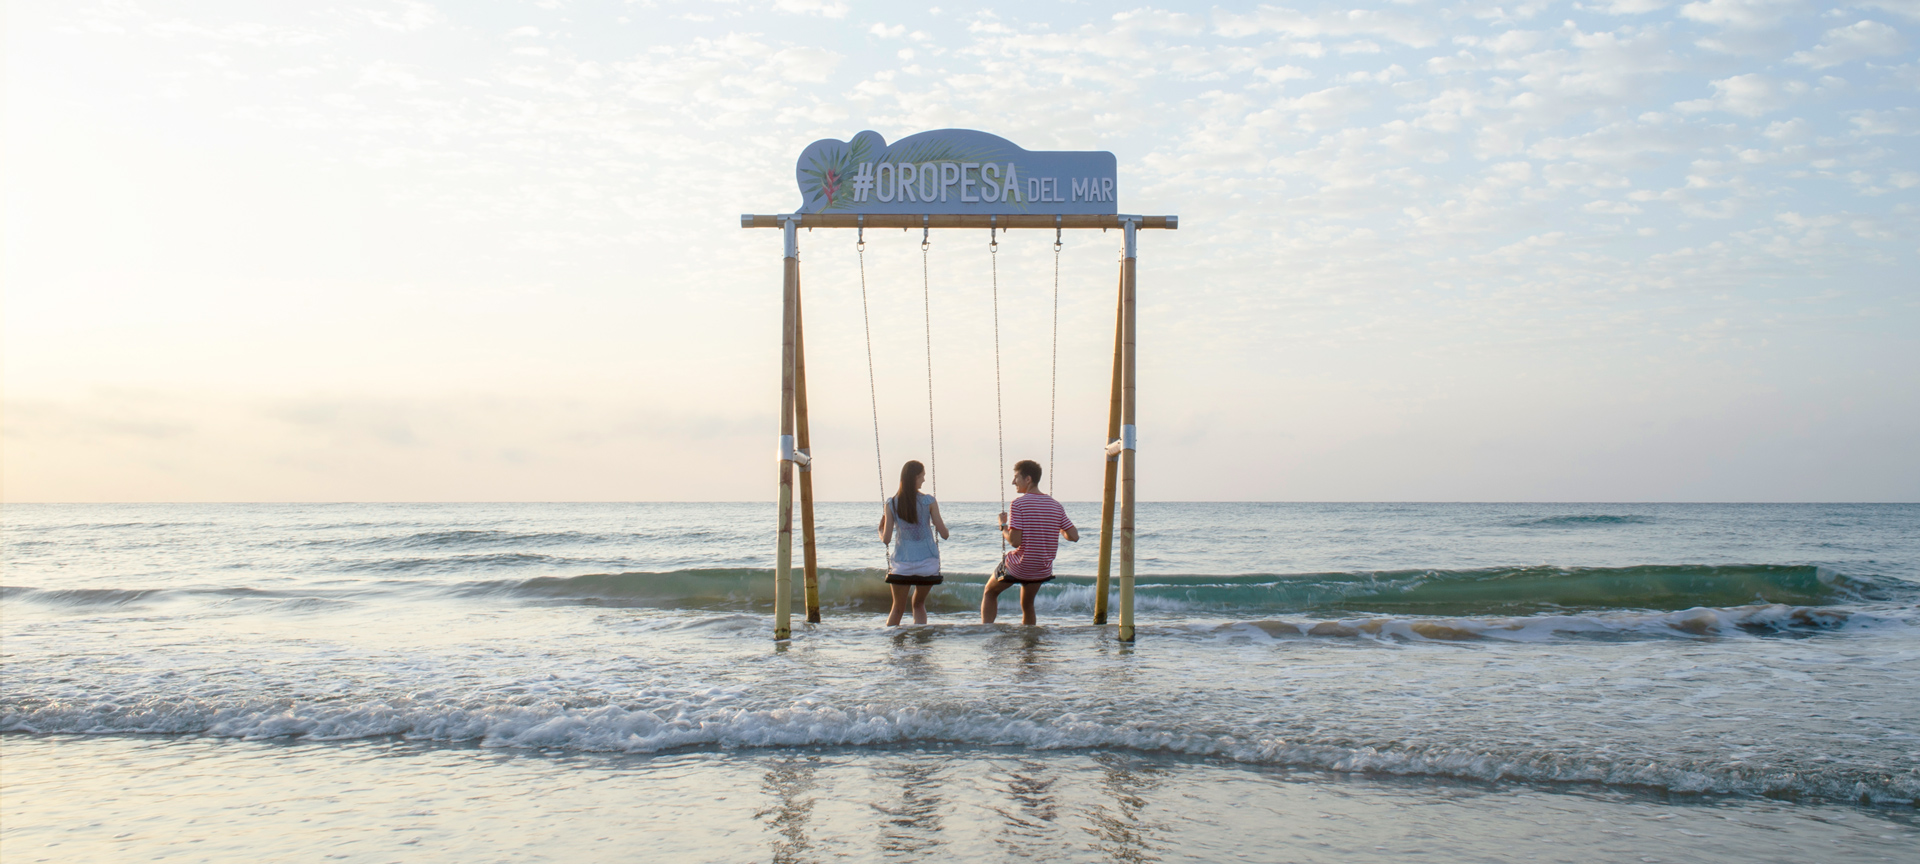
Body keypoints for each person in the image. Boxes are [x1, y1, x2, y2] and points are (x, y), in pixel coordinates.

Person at [981, 459, 1078, 625]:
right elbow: (1073, 536)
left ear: (1028, 479)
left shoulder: (1018, 504)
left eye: (1016, 477)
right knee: (1028, 604)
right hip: (1042, 568)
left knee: (989, 592)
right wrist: (1057, 527)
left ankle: (986, 630)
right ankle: (1029, 644)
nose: (1013, 482)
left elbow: (1014, 541)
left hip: (1020, 566)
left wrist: (1003, 526)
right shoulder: (1056, 506)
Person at [879, 460, 949, 625]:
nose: (924, 480)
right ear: (915, 477)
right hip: (928, 565)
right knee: (918, 604)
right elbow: (945, 534)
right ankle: (921, 643)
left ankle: (894, 646)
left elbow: (887, 539)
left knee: (897, 608)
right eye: (922, 476)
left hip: (901, 565)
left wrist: (879, 531)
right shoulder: (929, 501)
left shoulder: (891, 503)